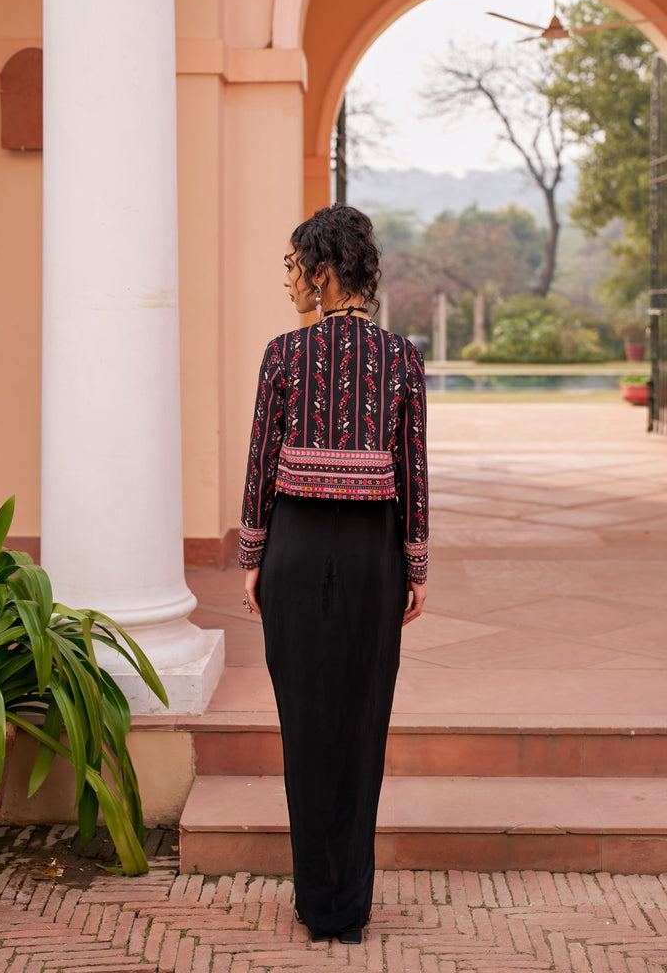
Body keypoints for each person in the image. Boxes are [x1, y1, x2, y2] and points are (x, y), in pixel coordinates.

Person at [238, 204, 428, 945]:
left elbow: (261, 464)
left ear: (322, 271)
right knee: (360, 724)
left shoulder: (282, 354)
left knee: (305, 725)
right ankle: (348, 906)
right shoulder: (403, 358)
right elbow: (412, 469)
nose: (287, 281)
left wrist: (252, 556)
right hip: (372, 556)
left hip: (294, 547)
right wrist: (415, 565)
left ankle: (317, 902)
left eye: (292, 267)